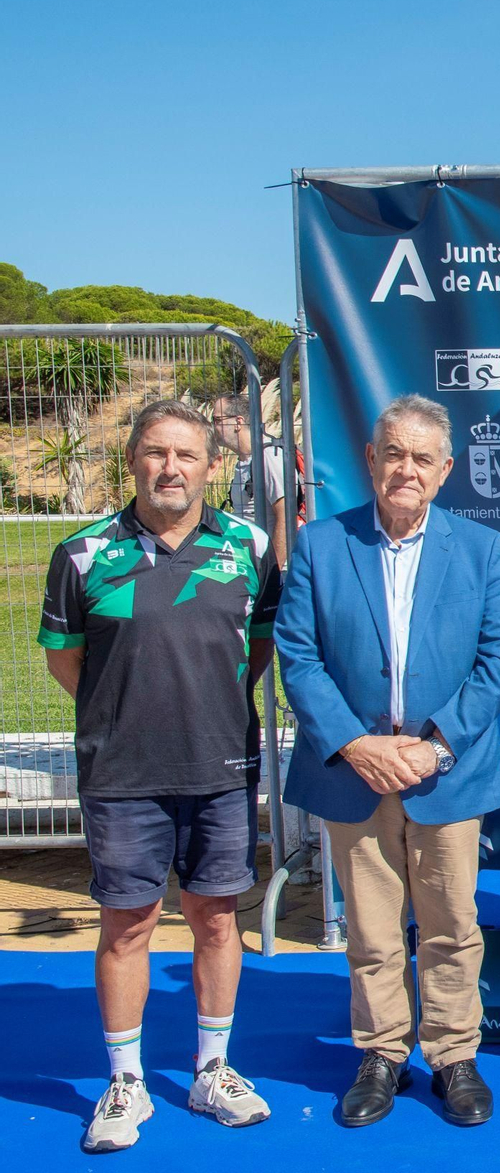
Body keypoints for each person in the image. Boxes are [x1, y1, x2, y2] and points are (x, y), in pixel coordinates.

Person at [38, 399, 280, 1152]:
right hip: (122, 775)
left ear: (214, 465)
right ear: (133, 460)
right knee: (128, 924)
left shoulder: (250, 547)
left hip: (222, 764)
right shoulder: (82, 552)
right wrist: (127, 716)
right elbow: (64, 658)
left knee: (216, 917)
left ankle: (212, 1069)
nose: (169, 468)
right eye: (154, 453)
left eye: (185, 454)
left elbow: (259, 646)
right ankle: (127, 1082)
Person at [275, 395, 500, 1127]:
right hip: (354, 772)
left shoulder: (480, 550)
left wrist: (432, 744)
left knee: (451, 921)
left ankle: (452, 1054)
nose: (405, 469)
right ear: (371, 461)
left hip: (448, 769)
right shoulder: (321, 545)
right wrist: (356, 743)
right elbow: (297, 654)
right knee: (372, 930)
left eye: (421, 458)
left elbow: (497, 661)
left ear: (445, 471)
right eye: (393, 454)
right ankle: (382, 1052)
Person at [211, 392, 289, 567]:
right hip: (251, 564)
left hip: (273, 569)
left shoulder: (268, 456)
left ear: (238, 422)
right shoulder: (246, 461)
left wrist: (272, 572)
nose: (213, 426)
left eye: (217, 420)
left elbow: (286, 514)